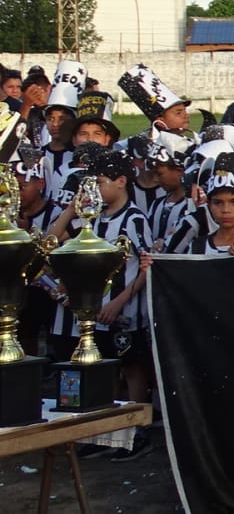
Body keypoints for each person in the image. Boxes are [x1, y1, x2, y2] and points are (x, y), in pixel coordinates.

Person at [50, 150, 155, 461]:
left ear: (121, 182)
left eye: (99, 182)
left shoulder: (134, 218)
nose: (93, 190)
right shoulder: (90, 219)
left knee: (132, 369)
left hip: (124, 312)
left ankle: (136, 432)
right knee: (103, 370)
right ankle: (106, 433)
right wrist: (72, 208)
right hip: (94, 313)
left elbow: (148, 265)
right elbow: (51, 240)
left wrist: (121, 301)